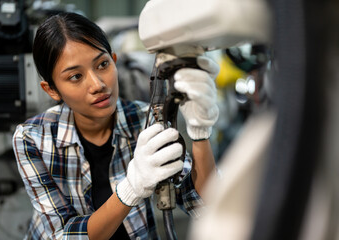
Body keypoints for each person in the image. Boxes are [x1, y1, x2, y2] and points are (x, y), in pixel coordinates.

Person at [12, 12, 219, 240]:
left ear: (114, 60)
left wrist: (200, 131)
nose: (97, 84)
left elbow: (202, 206)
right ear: (51, 89)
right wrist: (130, 189)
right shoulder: (32, 138)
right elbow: (64, 236)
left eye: (102, 64)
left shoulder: (145, 120)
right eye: (75, 77)